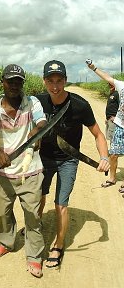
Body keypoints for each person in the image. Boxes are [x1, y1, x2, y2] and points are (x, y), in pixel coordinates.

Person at [35, 60, 110, 269]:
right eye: (50, 81)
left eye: (59, 81)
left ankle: (58, 245)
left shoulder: (79, 105)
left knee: (61, 203)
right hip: (43, 158)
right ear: (44, 81)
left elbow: (98, 134)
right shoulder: (37, 102)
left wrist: (104, 157)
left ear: (66, 81)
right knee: (38, 197)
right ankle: (36, 223)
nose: (55, 86)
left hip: (68, 159)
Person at [0, 64, 47, 278]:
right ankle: (7, 242)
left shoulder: (32, 103)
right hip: (4, 174)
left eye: (18, 81)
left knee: (33, 217)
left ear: (23, 83)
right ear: (2, 81)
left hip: (31, 171)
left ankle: (35, 256)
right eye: (10, 80)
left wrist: (35, 133)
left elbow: (42, 122)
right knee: (1, 214)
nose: (14, 85)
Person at [87, 61, 124, 193]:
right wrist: (94, 68)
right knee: (113, 154)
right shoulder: (121, 85)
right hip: (120, 125)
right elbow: (106, 77)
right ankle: (112, 178)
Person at [101, 83, 120, 188]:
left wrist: (116, 119)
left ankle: (112, 178)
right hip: (110, 121)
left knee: (114, 153)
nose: (110, 85)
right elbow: (112, 107)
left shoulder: (119, 93)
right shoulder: (112, 94)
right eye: (109, 84)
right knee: (113, 150)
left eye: (112, 83)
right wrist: (108, 118)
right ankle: (112, 177)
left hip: (116, 123)